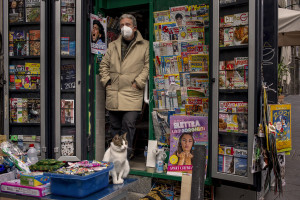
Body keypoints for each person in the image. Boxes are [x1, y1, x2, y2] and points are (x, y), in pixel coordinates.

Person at [99, 14, 149, 159]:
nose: (124, 27)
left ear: (134, 27)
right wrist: (107, 81)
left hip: (132, 93)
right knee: (114, 127)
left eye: (127, 24)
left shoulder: (145, 45)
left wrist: (138, 82)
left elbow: (147, 67)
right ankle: (115, 156)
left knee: (128, 124)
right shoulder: (113, 45)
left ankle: (125, 155)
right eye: (121, 25)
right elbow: (104, 65)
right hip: (114, 93)